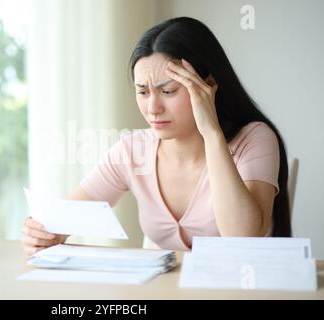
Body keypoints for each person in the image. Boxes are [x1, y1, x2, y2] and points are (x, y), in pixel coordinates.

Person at [22, 17, 291, 255]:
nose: (153, 108)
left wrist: (212, 134)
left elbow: (243, 239)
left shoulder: (254, 138)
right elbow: (65, 218)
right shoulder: (133, 150)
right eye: (142, 92)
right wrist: (43, 232)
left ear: (208, 85)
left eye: (169, 91)